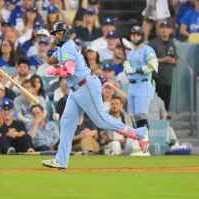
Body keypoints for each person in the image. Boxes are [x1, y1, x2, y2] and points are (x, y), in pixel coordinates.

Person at [42, 22, 150, 170]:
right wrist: (51, 51)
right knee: (66, 122)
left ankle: (138, 133)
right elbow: (51, 59)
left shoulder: (67, 45)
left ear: (66, 33)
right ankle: (61, 160)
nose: (55, 36)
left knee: (101, 120)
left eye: (58, 33)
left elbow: (69, 71)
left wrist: (54, 72)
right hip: (76, 88)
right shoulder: (62, 47)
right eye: (54, 34)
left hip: (85, 85)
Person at [124, 25, 158, 129]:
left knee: (141, 115)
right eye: (133, 35)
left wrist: (135, 70)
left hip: (143, 84)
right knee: (134, 117)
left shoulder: (147, 50)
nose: (135, 37)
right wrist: (129, 69)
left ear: (142, 36)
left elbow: (152, 66)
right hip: (132, 86)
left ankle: (144, 141)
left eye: (138, 35)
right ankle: (138, 141)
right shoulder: (130, 53)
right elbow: (126, 69)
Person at [149, 19, 177, 111]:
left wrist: (173, 60)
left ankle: (165, 120)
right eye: (162, 28)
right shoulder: (153, 43)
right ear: (159, 30)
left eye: (166, 28)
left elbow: (174, 59)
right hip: (156, 77)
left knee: (166, 103)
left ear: (170, 30)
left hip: (168, 77)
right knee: (157, 103)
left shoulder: (172, 43)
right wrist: (164, 59)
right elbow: (149, 60)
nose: (164, 30)